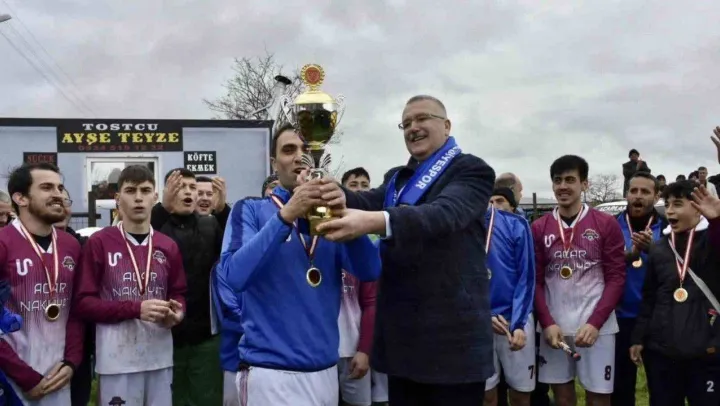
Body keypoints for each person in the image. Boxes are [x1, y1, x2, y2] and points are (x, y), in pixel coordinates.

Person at [315, 95, 496, 405]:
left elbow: (443, 214)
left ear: (447, 125)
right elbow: (365, 202)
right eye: (406, 123)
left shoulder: (471, 170)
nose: (413, 127)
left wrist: (375, 221)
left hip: (452, 344)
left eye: (422, 118)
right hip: (403, 343)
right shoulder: (397, 178)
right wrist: (333, 191)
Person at [219, 123, 381, 406]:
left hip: (325, 370)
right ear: (274, 163)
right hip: (270, 372)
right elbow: (235, 275)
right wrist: (287, 215)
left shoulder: (329, 216)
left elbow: (370, 270)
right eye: (289, 150)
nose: (299, 157)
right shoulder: (251, 209)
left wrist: (342, 213)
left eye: (306, 149)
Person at [73, 165, 187, 406]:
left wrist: (178, 313)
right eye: (130, 190)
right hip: (116, 360)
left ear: (155, 197)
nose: (138, 197)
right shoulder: (99, 242)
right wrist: (135, 309)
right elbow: (83, 303)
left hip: (159, 357)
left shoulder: (168, 245)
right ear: (117, 198)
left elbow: (178, 293)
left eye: (145, 191)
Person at [532, 155, 625, 406]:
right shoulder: (539, 227)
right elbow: (535, 281)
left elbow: (616, 277)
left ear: (585, 184)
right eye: (557, 180)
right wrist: (547, 322)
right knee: (562, 398)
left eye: (570, 180)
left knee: (598, 399)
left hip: (597, 326)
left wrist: (595, 323)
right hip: (555, 327)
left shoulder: (605, 223)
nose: (563, 186)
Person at [0, 162, 84, 405]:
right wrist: (25, 377)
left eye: (60, 188)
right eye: (47, 187)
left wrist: (71, 361)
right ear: (21, 198)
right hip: (12, 379)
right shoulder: (4, 243)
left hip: (59, 375)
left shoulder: (70, 245)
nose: (58, 194)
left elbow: (76, 310)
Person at [630, 181, 720, 405]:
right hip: (662, 353)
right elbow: (650, 296)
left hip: (706, 351)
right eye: (667, 204)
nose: (669, 210)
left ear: (697, 208)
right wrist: (638, 338)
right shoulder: (659, 248)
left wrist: (717, 220)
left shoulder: (711, 240)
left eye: (678, 204)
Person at [151, 168, 226, 406]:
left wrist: (223, 212)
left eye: (192, 187)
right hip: (164, 334)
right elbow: (139, 236)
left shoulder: (210, 225)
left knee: (206, 398)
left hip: (204, 334)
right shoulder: (157, 225)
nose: (188, 192)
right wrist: (162, 208)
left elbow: (235, 251)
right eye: (180, 187)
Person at [612, 172, 666, 406]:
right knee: (620, 389)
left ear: (656, 196)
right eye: (633, 191)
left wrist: (654, 250)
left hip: (656, 319)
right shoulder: (611, 225)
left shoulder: (668, 227)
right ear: (626, 194)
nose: (638, 196)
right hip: (619, 318)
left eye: (645, 191)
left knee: (662, 390)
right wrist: (628, 256)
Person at [483, 203, 536, 406]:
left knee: (520, 395)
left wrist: (518, 323)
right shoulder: (458, 225)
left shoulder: (515, 224)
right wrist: (483, 314)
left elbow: (527, 276)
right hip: (479, 322)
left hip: (515, 320)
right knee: (486, 395)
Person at [337, 167, 379, 406]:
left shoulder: (368, 242)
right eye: (353, 185)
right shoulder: (320, 233)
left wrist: (364, 349)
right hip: (320, 351)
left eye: (365, 185)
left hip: (354, 349)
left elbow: (371, 302)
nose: (360, 190)